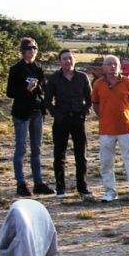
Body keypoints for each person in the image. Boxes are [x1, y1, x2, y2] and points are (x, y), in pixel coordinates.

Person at [90, 55, 129, 203]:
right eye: (109, 64)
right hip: (106, 130)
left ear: (120, 67)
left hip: (126, 128)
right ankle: (109, 191)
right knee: (106, 162)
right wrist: (103, 116)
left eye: (115, 64)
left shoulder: (127, 82)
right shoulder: (98, 84)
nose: (112, 67)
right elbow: (95, 104)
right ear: (103, 67)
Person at [6, 37, 54, 197]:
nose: (32, 51)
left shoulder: (37, 69)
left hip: (37, 112)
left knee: (36, 149)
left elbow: (43, 89)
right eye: (28, 48)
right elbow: (10, 92)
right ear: (22, 51)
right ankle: (21, 183)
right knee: (21, 149)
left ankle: (38, 183)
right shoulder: (16, 69)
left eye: (34, 48)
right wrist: (26, 89)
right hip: (22, 113)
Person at [43, 49, 93, 200]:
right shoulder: (54, 78)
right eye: (64, 59)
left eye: (70, 58)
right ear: (60, 61)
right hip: (61, 121)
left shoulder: (82, 77)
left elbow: (90, 99)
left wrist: (84, 112)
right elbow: (47, 100)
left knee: (81, 155)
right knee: (59, 155)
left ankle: (82, 188)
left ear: (74, 60)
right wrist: (57, 115)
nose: (68, 61)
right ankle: (60, 188)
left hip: (78, 120)